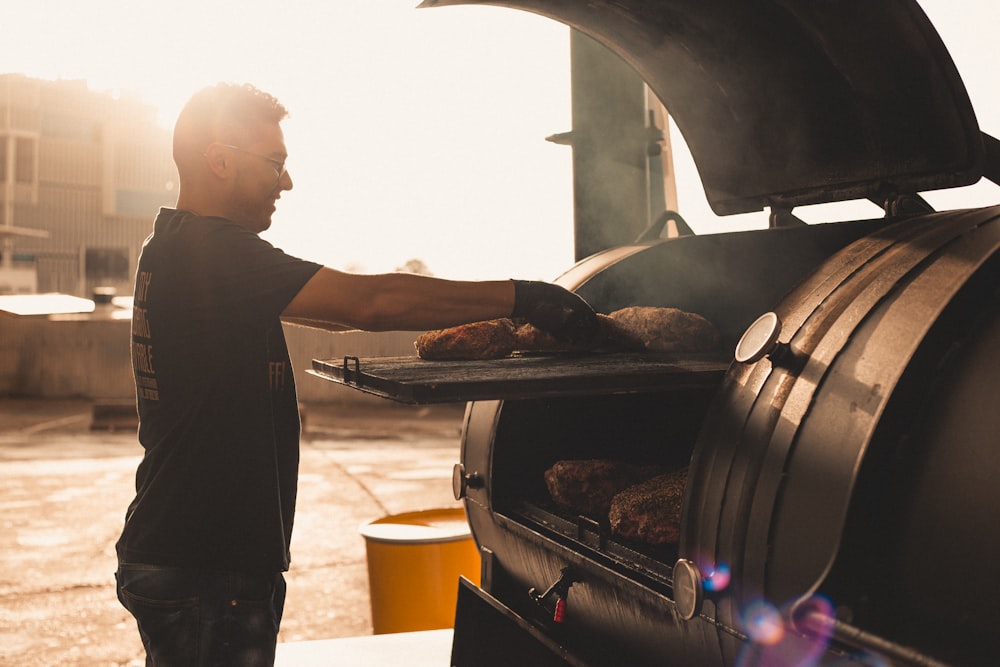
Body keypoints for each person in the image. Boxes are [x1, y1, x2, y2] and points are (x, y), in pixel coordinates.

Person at [114, 82, 598, 667]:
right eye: (275, 164)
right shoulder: (211, 251)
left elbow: (339, 313)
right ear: (220, 160)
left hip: (193, 554)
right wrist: (519, 297)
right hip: (207, 566)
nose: (286, 182)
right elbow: (369, 303)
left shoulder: (177, 246)